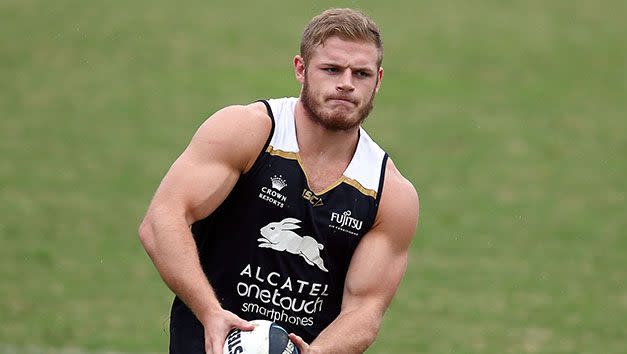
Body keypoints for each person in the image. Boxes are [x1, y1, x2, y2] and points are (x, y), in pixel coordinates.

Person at [138, 7, 419, 354]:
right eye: (332, 69)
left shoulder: (388, 192)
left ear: (377, 81)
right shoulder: (247, 132)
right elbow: (162, 220)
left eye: (360, 73)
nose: (346, 83)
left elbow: (365, 309)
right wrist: (211, 313)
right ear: (301, 70)